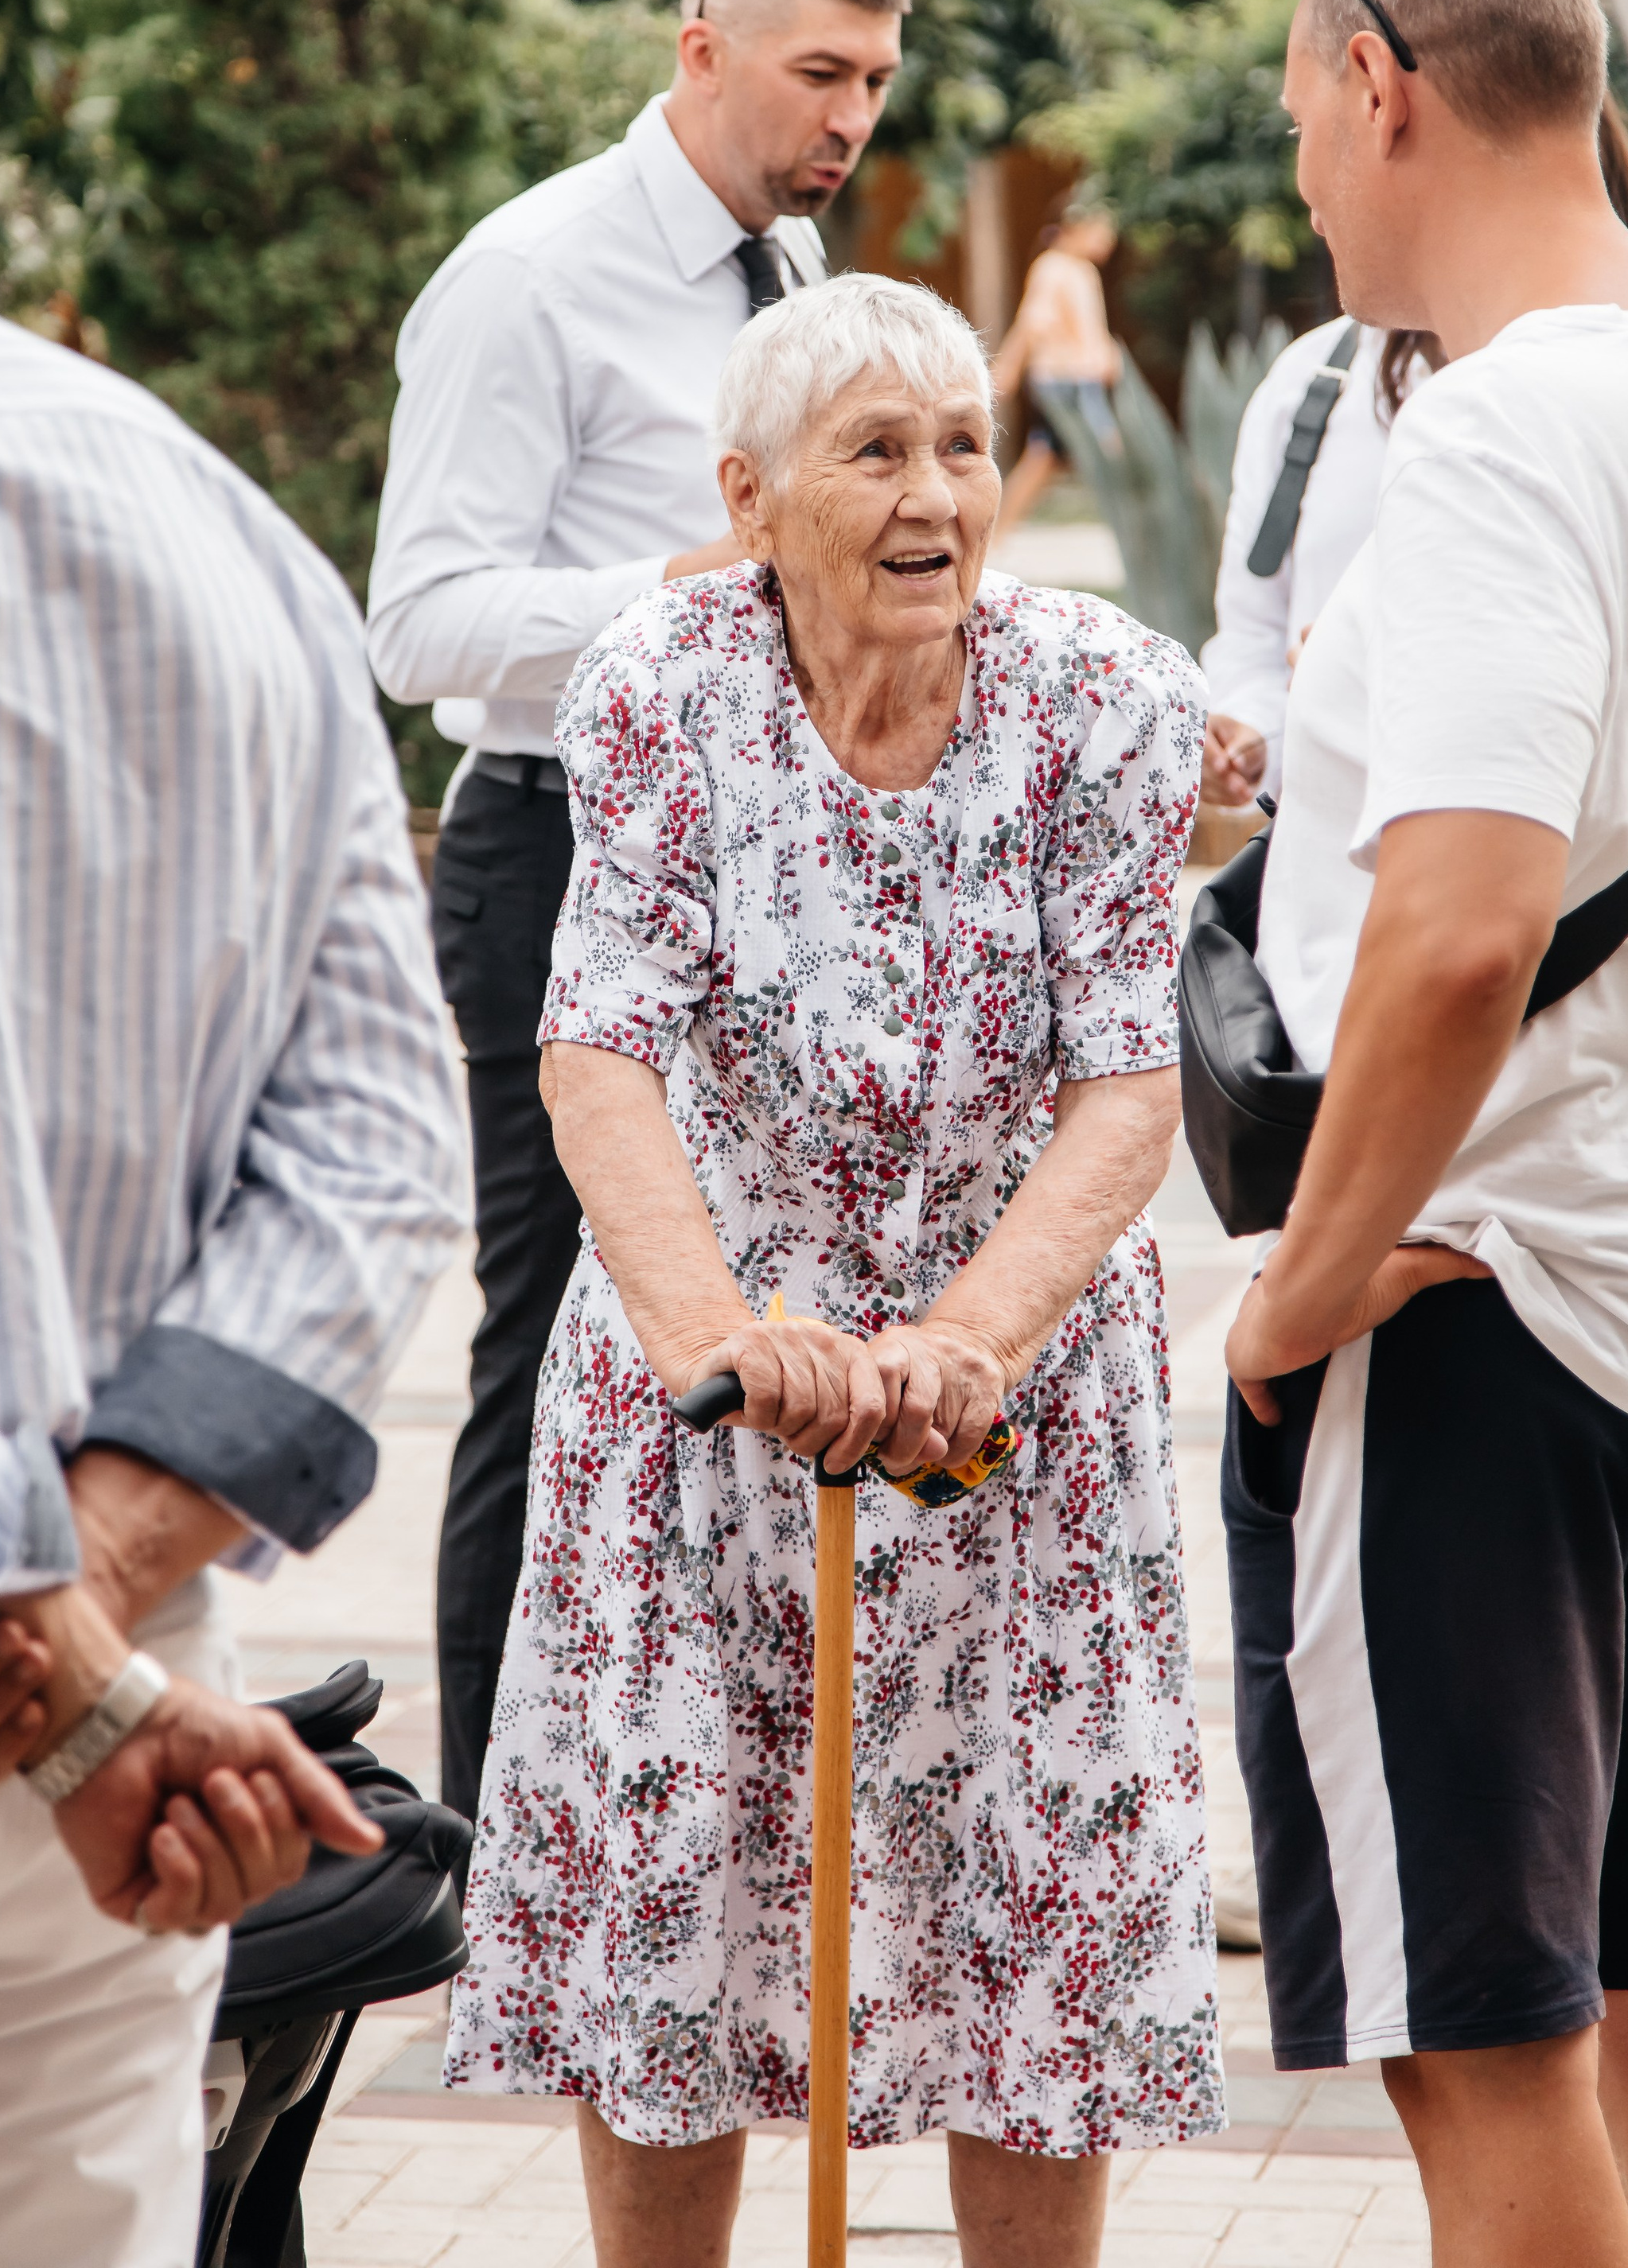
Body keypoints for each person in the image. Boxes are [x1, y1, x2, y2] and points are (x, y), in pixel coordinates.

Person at [0, 0, 468, 2266]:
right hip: (134, 1744)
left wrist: (15, 1621)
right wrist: (92, 1610)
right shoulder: (218, 524)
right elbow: (387, 1129)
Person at [446, 275, 1221, 2266]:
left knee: (1026, 1922)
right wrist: (713, 1332)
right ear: (751, 494)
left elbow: (1125, 1072)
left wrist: (969, 1332)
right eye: (874, 448)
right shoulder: (656, 682)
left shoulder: (1102, 696)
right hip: (714, 1357)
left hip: (1013, 1384)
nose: (935, 492)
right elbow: (598, 1040)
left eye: (960, 443)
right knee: (683, 1921)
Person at [1222, 0, 1628, 2266]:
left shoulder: (1487, 444)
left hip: (1465, 1310)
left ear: (1378, 84)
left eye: (1295, 115)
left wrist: (1290, 1288)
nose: (1294, 172)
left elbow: (1455, 930)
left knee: (1481, 2046)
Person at [367, 0, 909, 1822]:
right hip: (552, 854)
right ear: (701, 54)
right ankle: (486, 1830)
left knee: (716, 1316)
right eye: (816, 71)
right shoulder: (529, 275)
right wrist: (678, 593)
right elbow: (415, 623)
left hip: (749, 868)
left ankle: (674, 1799)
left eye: (873, 78)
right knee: (547, 1339)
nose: (849, 112)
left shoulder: (791, 262)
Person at [1202, 91, 1628, 807]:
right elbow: (1252, 637)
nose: (1312, 192)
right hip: (1343, 856)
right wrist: (1249, 728)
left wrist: (1375, 673)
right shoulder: (1310, 388)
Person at [988, 197, 1124, 539]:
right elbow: (1033, 324)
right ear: (1075, 228)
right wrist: (1008, 368)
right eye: (1102, 231)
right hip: (1066, 379)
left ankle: (997, 534)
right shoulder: (1054, 267)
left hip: (1077, 377)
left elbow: (1088, 330)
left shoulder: (1080, 269)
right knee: (1109, 450)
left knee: (1043, 458)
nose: (1109, 240)